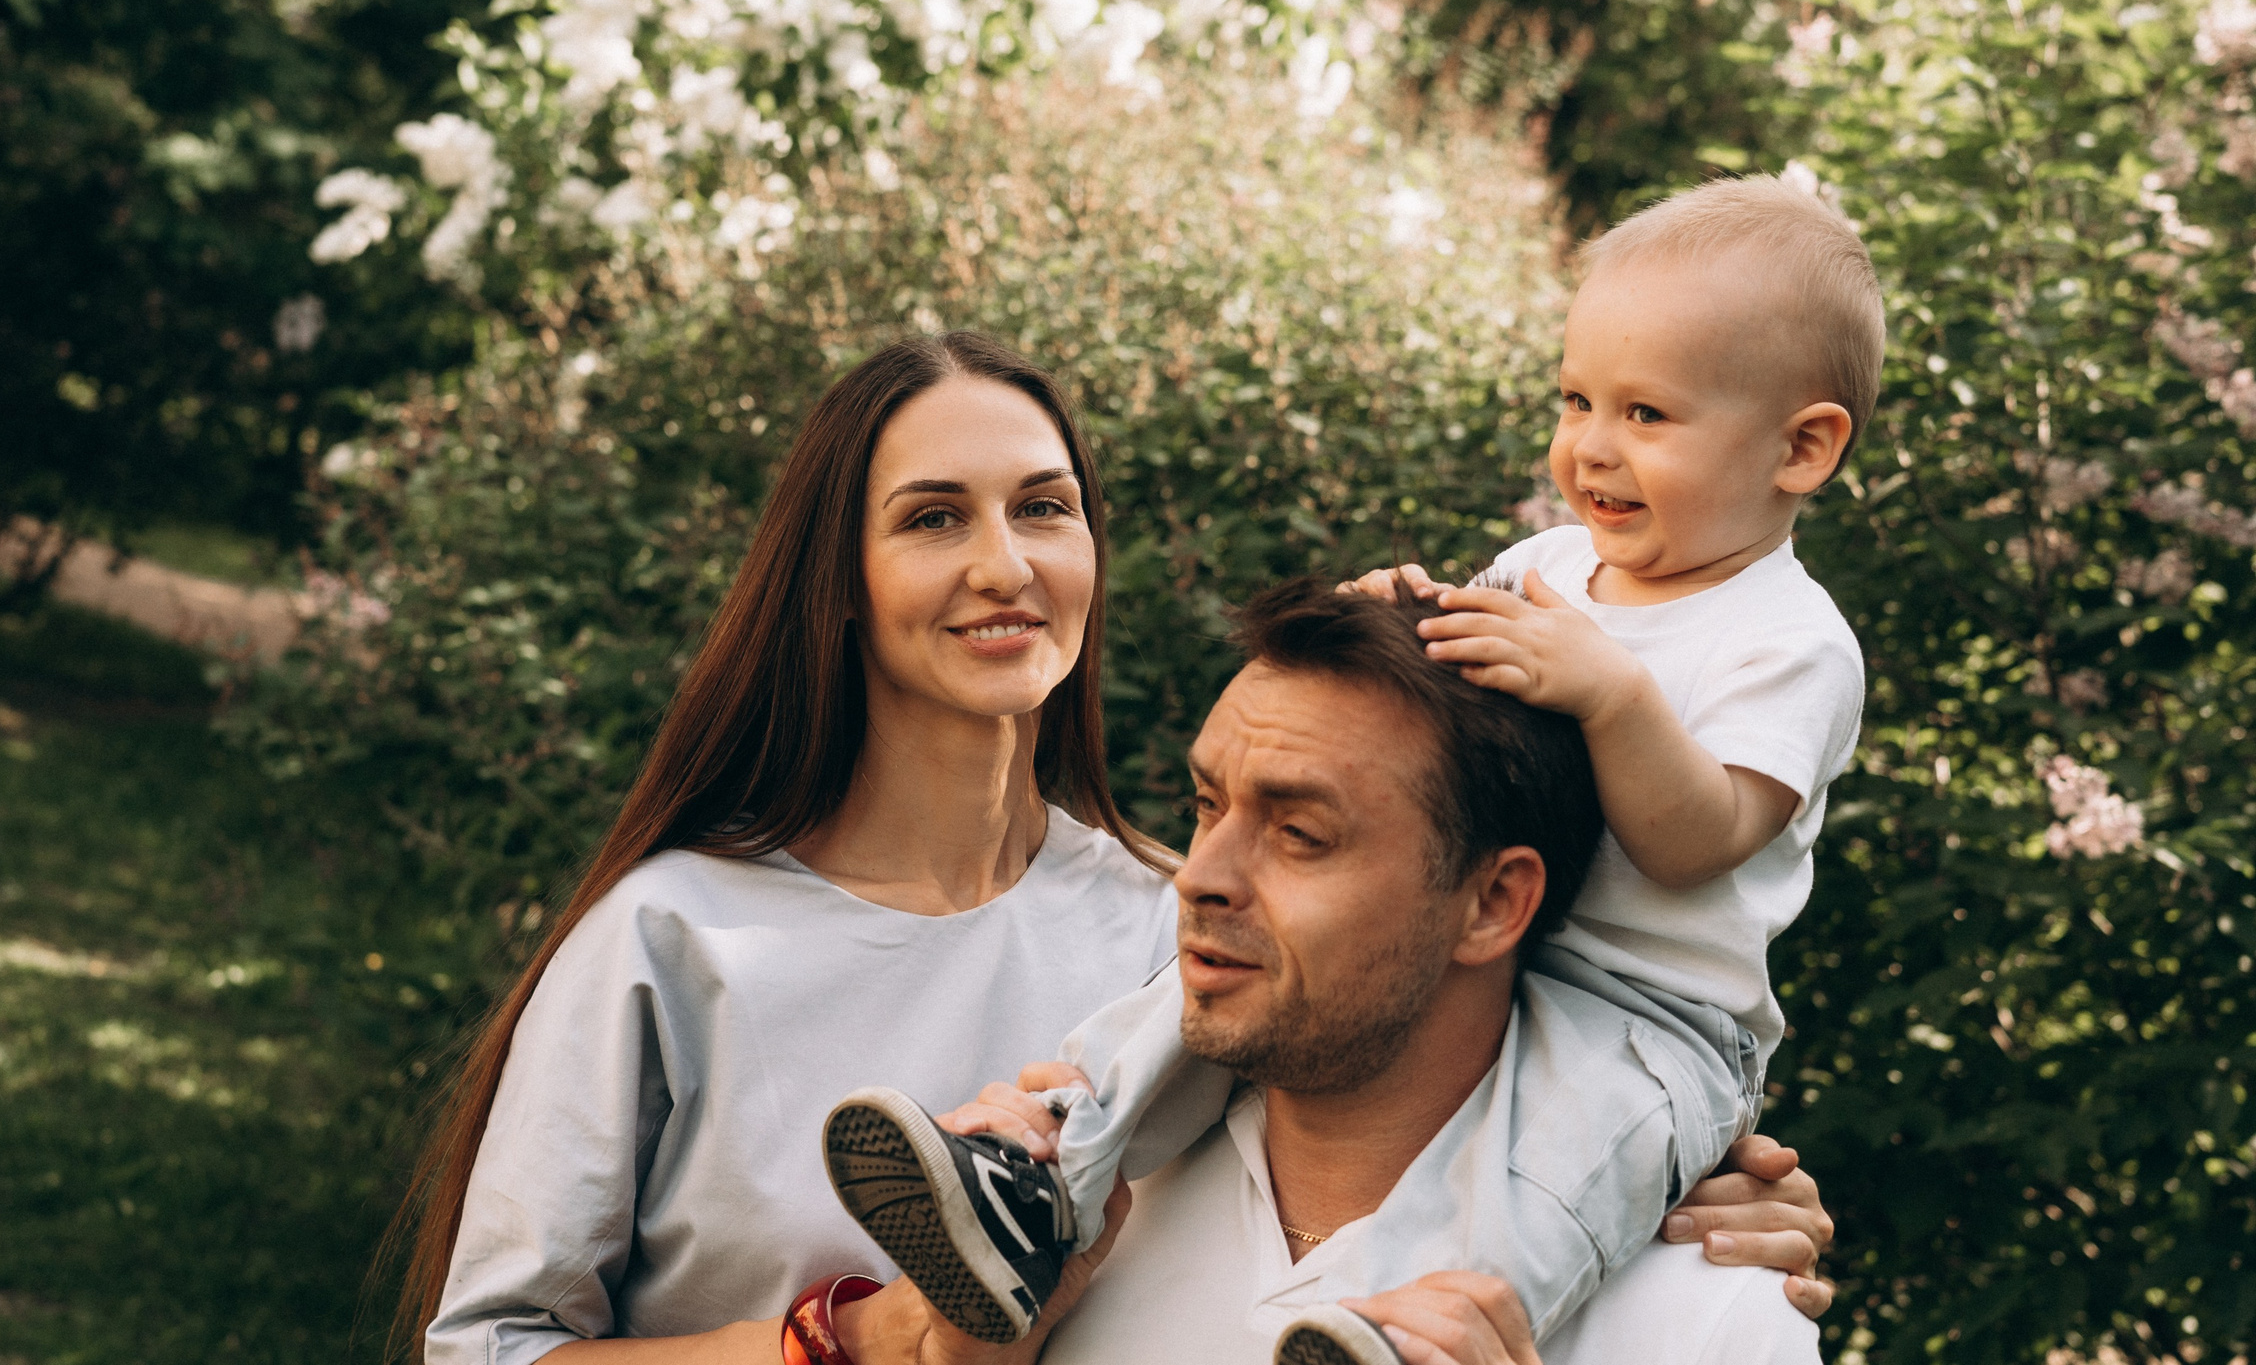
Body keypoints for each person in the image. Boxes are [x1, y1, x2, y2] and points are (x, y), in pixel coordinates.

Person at [404, 331, 1833, 1364]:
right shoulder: (679, 942)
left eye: (1044, 507)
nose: (1004, 564)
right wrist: (852, 1350)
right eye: (931, 519)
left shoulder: (1177, 929)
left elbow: (1382, 1120)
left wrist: (1696, 1214)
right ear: (833, 581)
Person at [823, 172, 1875, 1365]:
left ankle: (1415, 1329)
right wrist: (1403, 612)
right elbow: (1446, 706)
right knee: (1170, 999)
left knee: (1554, 1180)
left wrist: (1611, 688)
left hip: (1647, 1018)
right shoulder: (1553, 560)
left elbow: (1698, 840)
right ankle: (1036, 1176)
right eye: (1576, 398)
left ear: (1803, 446)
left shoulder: (1787, 641)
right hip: (1515, 974)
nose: (1589, 445)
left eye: (1647, 415)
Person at [839, 579, 1823, 1365]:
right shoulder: (1075, 1225)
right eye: (1205, 805)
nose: (1202, 877)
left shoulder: (1707, 1320)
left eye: (1300, 834)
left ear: (1491, 904)